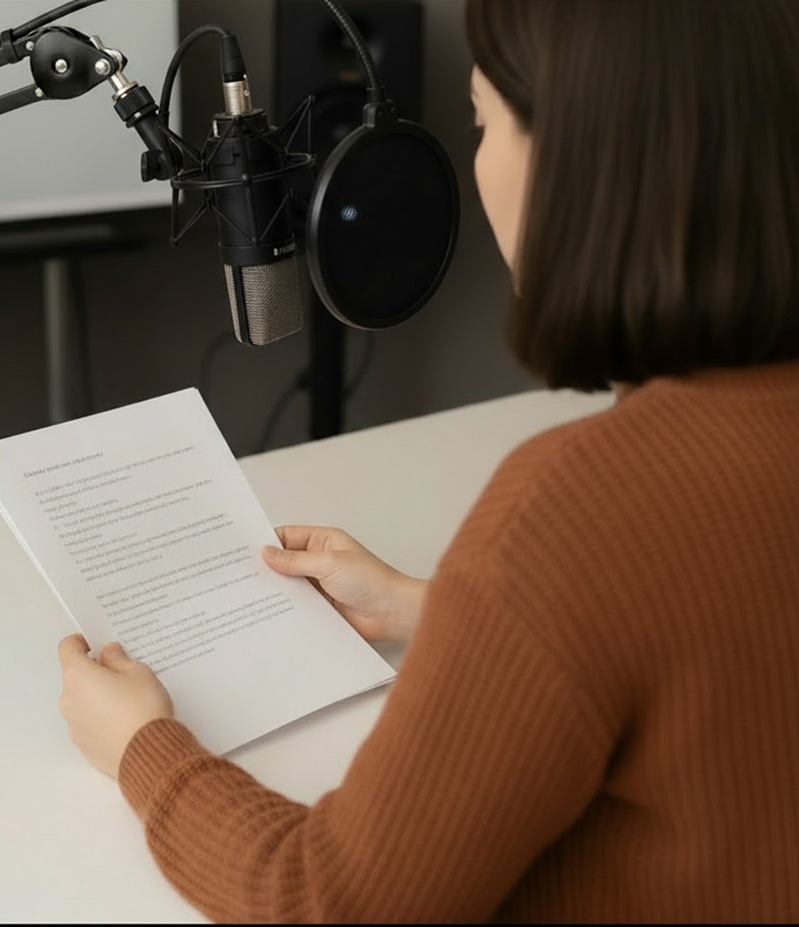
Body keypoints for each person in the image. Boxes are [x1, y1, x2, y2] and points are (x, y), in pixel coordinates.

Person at [57, 0, 799, 921]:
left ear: (579, 167)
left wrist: (144, 747)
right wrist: (438, 609)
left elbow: (334, 901)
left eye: (483, 121)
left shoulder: (582, 502)